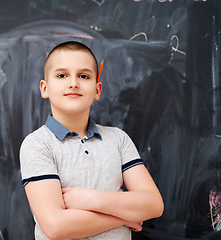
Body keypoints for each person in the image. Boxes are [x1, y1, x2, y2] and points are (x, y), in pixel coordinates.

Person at [19, 41, 164, 240]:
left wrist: (89, 198)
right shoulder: (37, 144)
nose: (73, 83)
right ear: (45, 88)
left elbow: (153, 204)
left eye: (84, 76)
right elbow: (56, 226)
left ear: (97, 90)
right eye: (62, 75)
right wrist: (124, 217)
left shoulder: (118, 139)